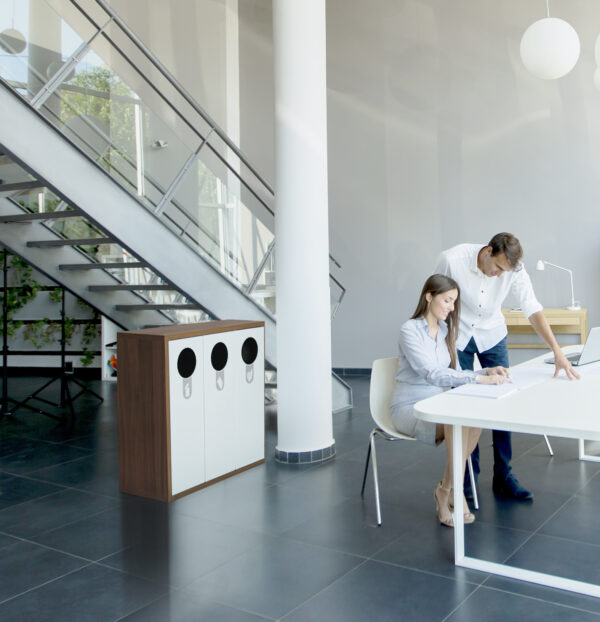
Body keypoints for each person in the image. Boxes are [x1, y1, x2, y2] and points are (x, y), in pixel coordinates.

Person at [435, 232, 579, 502]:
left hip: (492, 334)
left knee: (504, 400)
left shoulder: (515, 270)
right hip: (459, 335)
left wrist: (557, 351)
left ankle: (504, 476)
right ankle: (467, 481)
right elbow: (435, 300)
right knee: (466, 405)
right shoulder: (452, 260)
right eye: (498, 268)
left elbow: (532, 308)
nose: (500, 275)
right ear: (488, 251)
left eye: (506, 271)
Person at [390, 274, 509, 527]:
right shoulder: (409, 330)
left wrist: (483, 372)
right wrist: (477, 380)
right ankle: (449, 493)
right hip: (410, 407)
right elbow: (432, 373)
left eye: (454, 302)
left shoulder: (445, 330)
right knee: (460, 422)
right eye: (447, 300)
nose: (451, 308)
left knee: (473, 418)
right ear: (429, 296)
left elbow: (452, 372)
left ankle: (447, 489)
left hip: (438, 402)